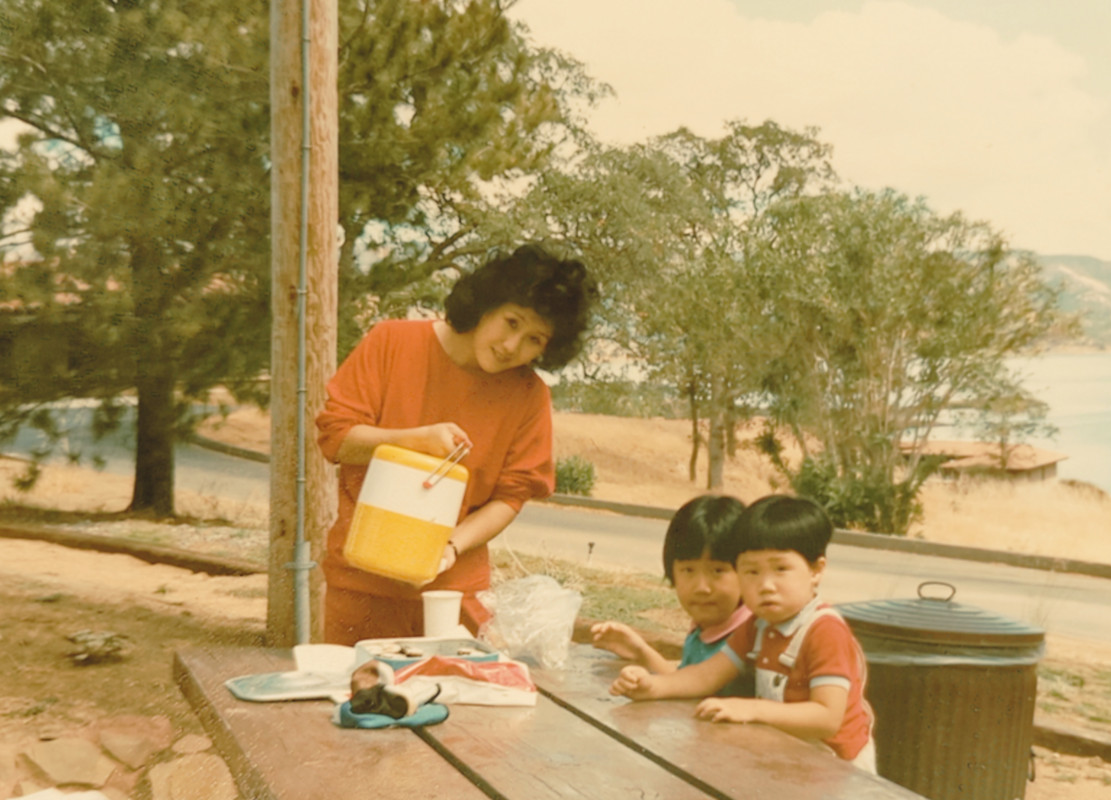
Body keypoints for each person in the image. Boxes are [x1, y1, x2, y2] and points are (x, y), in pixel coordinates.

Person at [315, 243, 597, 645]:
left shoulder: (530, 396)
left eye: (534, 339)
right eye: (512, 322)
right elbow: (336, 438)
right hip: (362, 584)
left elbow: (511, 496)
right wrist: (415, 440)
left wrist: (450, 545)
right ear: (486, 304)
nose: (511, 346)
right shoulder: (391, 341)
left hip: (454, 593)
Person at [609, 495, 877, 772]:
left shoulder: (824, 630)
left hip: (838, 768)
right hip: (788, 753)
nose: (765, 585)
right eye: (751, 571)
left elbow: (826, 717)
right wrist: (653, 687)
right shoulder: (758, 625)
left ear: (816, 570)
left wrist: (752, 709)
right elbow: (706, 675)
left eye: (780, 569)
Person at [590, 495, 753, 696]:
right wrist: (640, 651)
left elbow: (700, 681)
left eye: (718, 571)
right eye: (688, 570)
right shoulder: (702, 629)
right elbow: (687, 680)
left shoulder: (753, 634)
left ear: (748, 572)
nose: (702, 587)